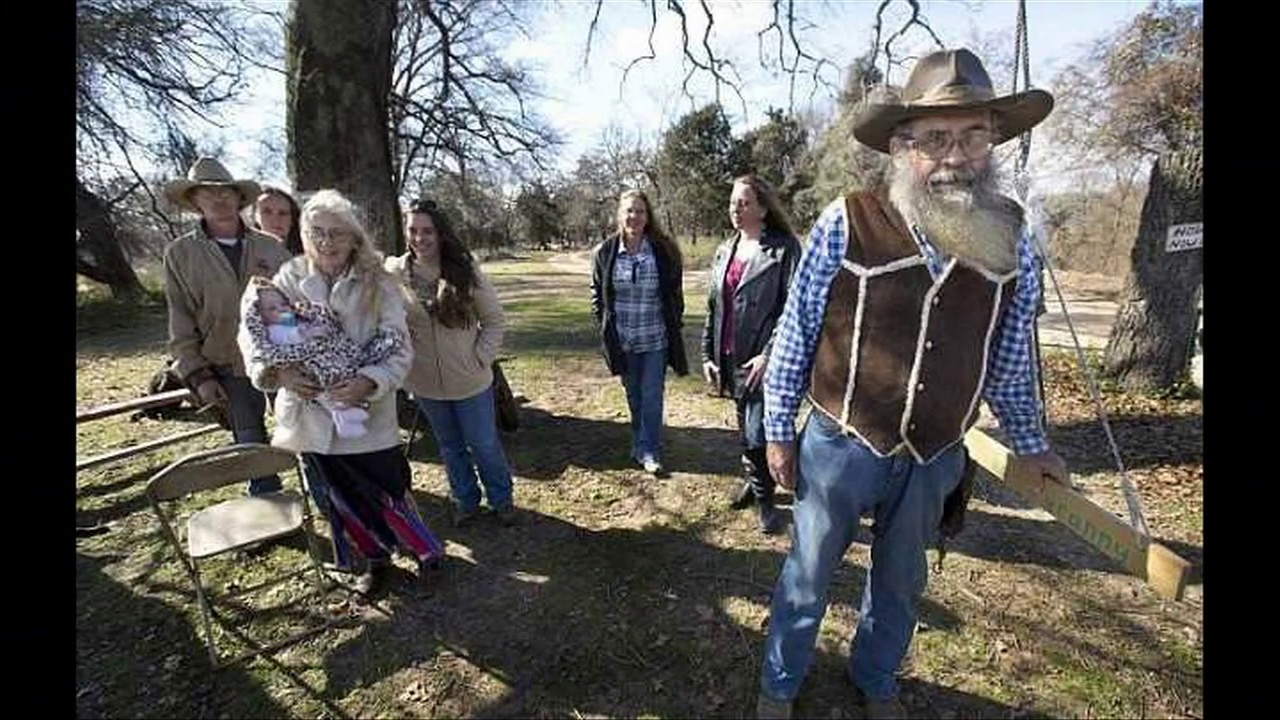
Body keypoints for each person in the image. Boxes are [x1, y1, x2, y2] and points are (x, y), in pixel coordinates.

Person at [754, 49, 1070, 720]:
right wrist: (778, 429)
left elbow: (1010, 358)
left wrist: (1032, 442)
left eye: (974, 135)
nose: (957, 154)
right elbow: (797, 329)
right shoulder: (850, 218)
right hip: (841, 442)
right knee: (809, 575)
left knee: (901, 582)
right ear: (903, 146)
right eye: (936, 138)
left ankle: (875, 677)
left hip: (935, 454)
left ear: (993, 140)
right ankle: (779, 685)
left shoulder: (1015, 239)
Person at [238, 189, 444, 595]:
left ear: (354, 238)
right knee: (340, 496)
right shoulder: (289, 278)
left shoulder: (378, 282)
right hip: (314, 415)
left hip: (367, 413)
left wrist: (369, 380)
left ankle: (422, 550)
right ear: (304, 234)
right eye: (317, 233)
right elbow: (254, 336)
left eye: (336, 233)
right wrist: (279, 375)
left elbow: (398, 344)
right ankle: (373, 560)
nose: (326, 242)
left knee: (389, 487)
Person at [162, 157, 293, 496]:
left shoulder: (271, 247)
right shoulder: (180, 254)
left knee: (300, 426)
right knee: (249, 442)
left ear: (239, 198)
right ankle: (267, 506)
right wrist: (198, 375)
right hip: (225, 364)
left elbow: (292, 306)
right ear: (195, 201)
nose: (218, 200)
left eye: (225, 192)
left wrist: (297, 354)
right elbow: (181, 320)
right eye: (207, 193)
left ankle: (324, 496)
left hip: (281, 359)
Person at [385, 199, 516, 527]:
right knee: (450, 447)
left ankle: (501, 499)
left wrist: (479, 359)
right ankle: (466, 500)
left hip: (470, 381)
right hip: (426, 383)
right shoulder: (394, 274)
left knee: (484, 445)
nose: (420, 238)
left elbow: (495, 321)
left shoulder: (464, 269)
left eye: (427, 230)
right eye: (413, 230)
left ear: (440, 233)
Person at [701, 175, 802, 535]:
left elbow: (794, 310)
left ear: (762, 208)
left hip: (764, 362)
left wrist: (768, 354)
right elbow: (714, 307)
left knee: (759, 433)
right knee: (745, 427)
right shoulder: (724, 249)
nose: (735, 208)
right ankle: (756, 479)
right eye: (733, 202)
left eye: (744, 202)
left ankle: (765, 502)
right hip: (729, 356)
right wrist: (707, 354)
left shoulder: (784, 249)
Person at [590, 189, 689, 476]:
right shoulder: (606, 252)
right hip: (623, 341)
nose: (635, 216)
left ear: (648, 217)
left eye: (640, 211)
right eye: (629, 211)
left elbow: (675, 294)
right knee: (634, 396)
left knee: (651, 395)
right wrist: (604, 327)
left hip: (655, 338)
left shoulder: (663, 250)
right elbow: (597, 294)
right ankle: (640, 440)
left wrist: (675, 320)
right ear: (620, 215)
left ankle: (650, 450)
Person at [242, 277, 405, 439]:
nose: (281, 310)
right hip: (307, 421)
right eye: (272, 309)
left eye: (283, 305)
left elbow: (401, 356)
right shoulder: (278, 297)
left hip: (371, 411)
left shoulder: (369, 277)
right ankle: (345, 418)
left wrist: (372, 380)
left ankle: (349, 416)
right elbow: (256, 352)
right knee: (330, 400)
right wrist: (279, 374)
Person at [252, 186, 304, 256]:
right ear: (255, 217)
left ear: (292, 220)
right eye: (267, 212)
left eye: (282, 213)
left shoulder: (308, 257)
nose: (275, 220)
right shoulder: (243, 256)